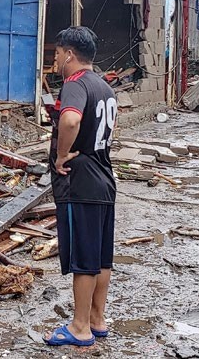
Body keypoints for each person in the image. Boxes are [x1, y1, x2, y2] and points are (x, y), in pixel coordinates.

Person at [44, 27, 117, 348]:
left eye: (57, 53)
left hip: (80, 180)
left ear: (70, 54)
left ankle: (79, 327)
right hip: (104, 177)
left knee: (84, 259)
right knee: (101, 257)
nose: (56, 59)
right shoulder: (104, 86)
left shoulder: (74, 84)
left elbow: (71, 120)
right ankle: (97, 320)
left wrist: (61, 156)